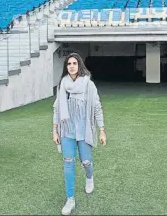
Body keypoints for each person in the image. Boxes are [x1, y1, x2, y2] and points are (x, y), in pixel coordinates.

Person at [52, 52, 106, 215]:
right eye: (69, 64)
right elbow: (56, 108)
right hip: (67, 130)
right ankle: (70, 199)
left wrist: (102, 130)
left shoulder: (88, 85)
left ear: (79, 65)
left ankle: (89, 177)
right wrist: (54, 130)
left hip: (84, 130)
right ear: (66, 67)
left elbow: (97, 107)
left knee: (86, 162)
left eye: (74, 63)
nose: (71, 66)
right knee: (68, 162)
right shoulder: (62, 85)